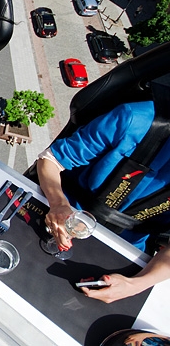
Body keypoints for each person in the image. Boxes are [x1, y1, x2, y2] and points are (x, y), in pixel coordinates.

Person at [36, 97, 170, 303]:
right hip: (66, 216)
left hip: (123, 256)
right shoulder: (136, 120)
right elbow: (51, 160)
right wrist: (58, 203)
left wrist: (135, 284)